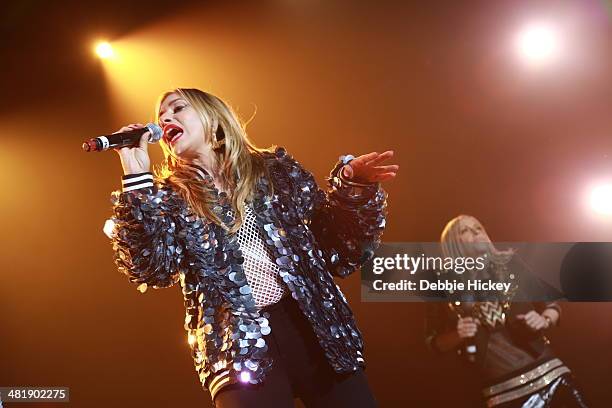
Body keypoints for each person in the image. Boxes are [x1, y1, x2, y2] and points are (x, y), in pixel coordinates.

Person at [105, 88, 398, 407]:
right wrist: (136, 177)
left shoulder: (274, 171)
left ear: (214, 118)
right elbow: (152, 269)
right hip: (236, 344)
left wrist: (354, 186)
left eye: (177, 108)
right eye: (161, 115)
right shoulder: (170, 199)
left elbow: (339, 250)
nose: (165, 118)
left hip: (312, 326)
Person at [425, 215, 589, 408]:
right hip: (503, 394)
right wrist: (458, 335)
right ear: (453, 243)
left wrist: (544, 319)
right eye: (465, 230)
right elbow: (433, 343)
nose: (476, 231)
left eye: (478, 227)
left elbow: (551, 304)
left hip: (553, 376)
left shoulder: (511, 264)